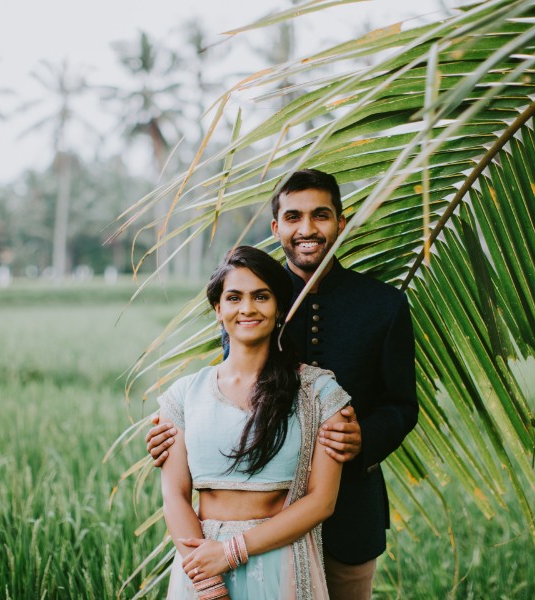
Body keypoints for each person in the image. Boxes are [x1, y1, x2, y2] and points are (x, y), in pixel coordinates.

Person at [149, 169, 418, 598]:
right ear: (277, 228)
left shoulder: (384, 305)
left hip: (347, 506)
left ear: (341, 223)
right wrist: (176, 431)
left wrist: (362, 438)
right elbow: (230, 389)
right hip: (255, 512)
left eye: (321, 216)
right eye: (293, 217)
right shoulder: (256, 295)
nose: (307, 229)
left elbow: (402, 404)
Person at [157, 245, 352, 599]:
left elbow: (322, 500)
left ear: (279, 308)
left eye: (261, 296)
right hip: (200, 566)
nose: (247, 308)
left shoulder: (319, 392)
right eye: (234, 298)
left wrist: (230, 553)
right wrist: (207, 581)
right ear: (219, 309)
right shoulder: (185, 394)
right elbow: (174, 494)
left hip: (280, 562)